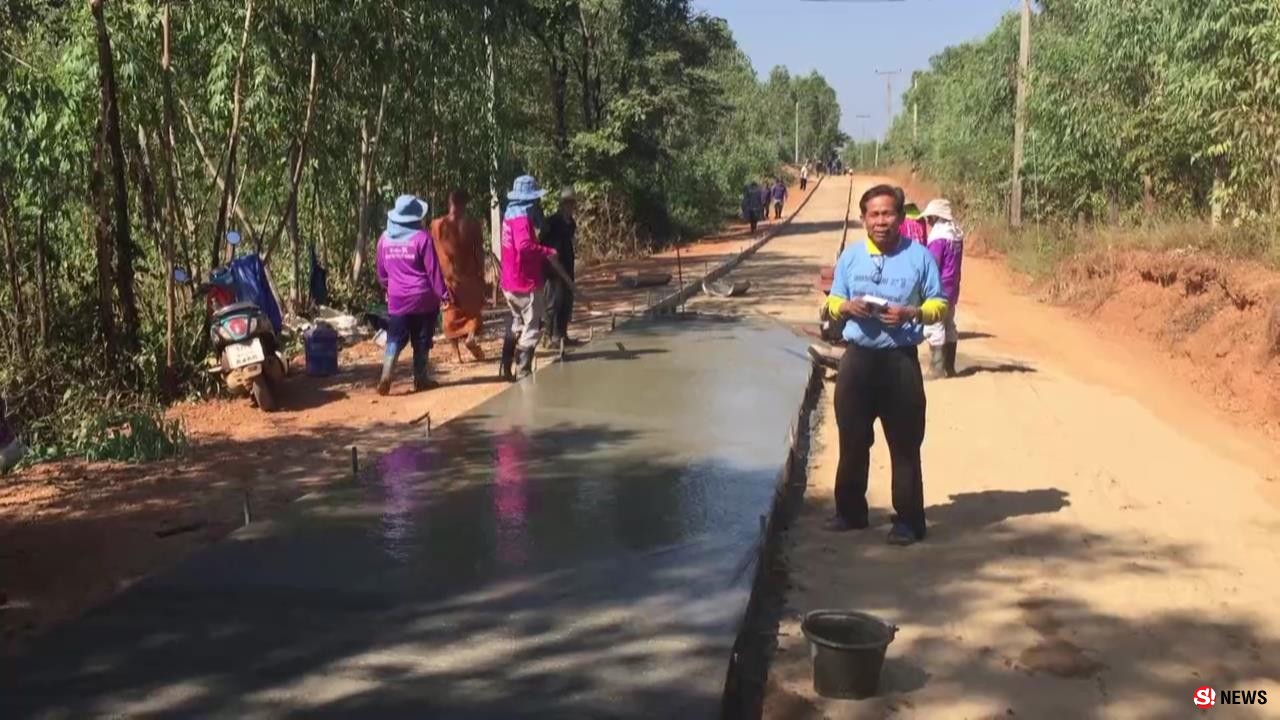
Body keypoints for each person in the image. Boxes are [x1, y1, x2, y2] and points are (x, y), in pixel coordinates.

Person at [822, 184, 949, 546]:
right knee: (852, 440)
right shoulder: (850, 258)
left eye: (888, 213)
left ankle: (908, 521)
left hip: (900, 364)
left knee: (905, 445)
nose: (882, 221)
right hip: (857, 362)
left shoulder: (920, 257)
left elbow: (940, 305)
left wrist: (913, 312)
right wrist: (848, 307)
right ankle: (850, 513)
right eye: (874, 214)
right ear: (863, 219)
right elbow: (833, 301)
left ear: (901, 217)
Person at [498, 175, 578, 380]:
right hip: (525, 282)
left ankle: (505, 366)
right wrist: (546, 251)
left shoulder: (508, 217)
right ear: (529, 200)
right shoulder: (523, 220)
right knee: (532, 326)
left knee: (517, 323)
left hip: (509, 281)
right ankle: (523, 370)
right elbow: (524, 247)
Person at [375, 194, 451, 395]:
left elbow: (381, 271)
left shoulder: (384, 240)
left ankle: (386, 375)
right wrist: (443, 294)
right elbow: (433, 271)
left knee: (394, 338)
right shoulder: (422, 238)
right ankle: (420, 378)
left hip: (398, 300)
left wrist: (387, 289)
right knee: (422, 338)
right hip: (424, 300)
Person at [430, 189, 487, 361]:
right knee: (473, 312)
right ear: (465, 204)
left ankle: (456, 354)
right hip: (469, 277)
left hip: (448, 278)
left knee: (450, 315)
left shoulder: (436, 225)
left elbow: (432, 251)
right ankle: (470, 337)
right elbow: (479, 252)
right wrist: (481, 271)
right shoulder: (473, 225)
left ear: (450, 203)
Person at [922, 198, 964, 378]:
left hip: (938, 286)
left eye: (929, 218)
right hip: (953, 286)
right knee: (949, 325)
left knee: (934, 325)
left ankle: (936, 368)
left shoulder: (938, 238)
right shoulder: (955, 235)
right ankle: (950, 367)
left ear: (935, 217)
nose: (928, 222)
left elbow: (933, 264)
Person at [540, 186, 580, 347]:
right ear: (562, 204)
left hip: (568, 263)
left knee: (566, 301)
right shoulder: (552, 223)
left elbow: (568, 243)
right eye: (567, 203)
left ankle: (562, 335)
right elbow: (547, 248)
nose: (570, 207)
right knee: (553, 302)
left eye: (572, 204)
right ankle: (548, 336)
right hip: (553, 268)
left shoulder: (571, 224)